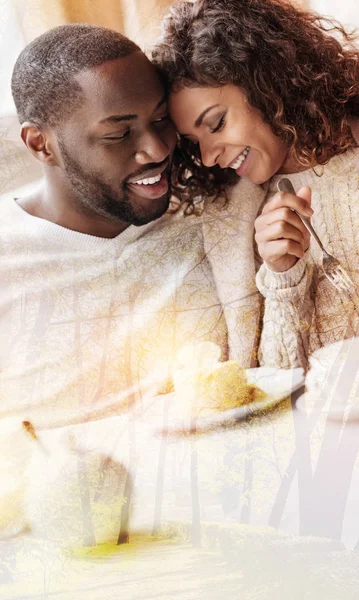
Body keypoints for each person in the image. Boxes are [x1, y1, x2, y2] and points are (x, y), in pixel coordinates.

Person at [152, 0, 359, 370]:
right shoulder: (236, 218)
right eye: (194, 142)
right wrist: (283, 274)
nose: (210, 156)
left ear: (270, 83)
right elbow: (274, 385)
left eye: (216, 124)